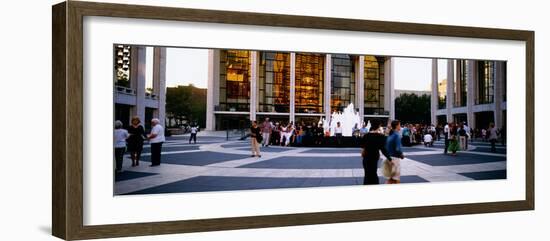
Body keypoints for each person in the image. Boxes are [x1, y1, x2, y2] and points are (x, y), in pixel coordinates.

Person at [360, 119, 392, 185]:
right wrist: (390, 159)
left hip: (366, 159)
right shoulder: (380, 137)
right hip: (374, 158)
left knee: (367, 175)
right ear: (379, 126)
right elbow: (383, 150)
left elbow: (363, 150)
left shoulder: (365, 136)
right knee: (374, 175)